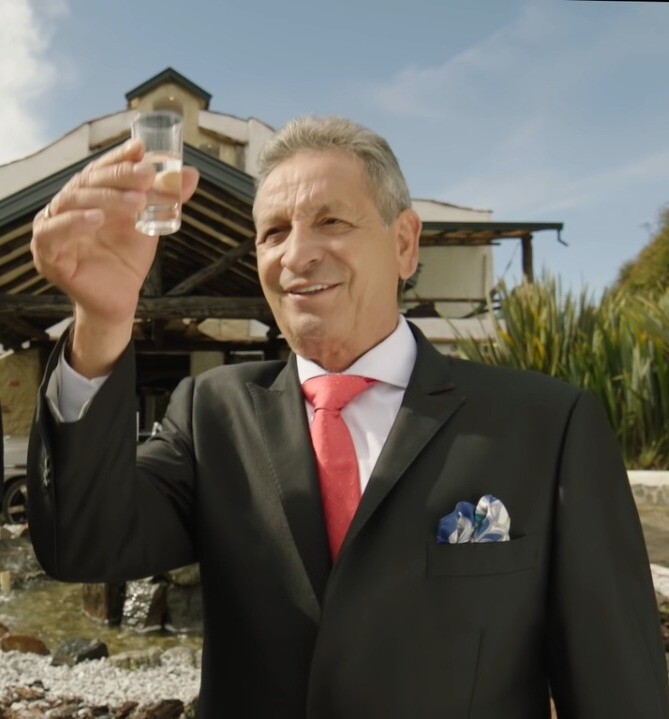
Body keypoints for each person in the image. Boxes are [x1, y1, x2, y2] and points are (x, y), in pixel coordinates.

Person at [27, 115, 668, 719]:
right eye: (273, 232)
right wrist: (102, 321)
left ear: (404, 243)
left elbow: (617, 686)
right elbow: (82, 542)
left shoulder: (546, 425)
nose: (297, 255)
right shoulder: (211, 413)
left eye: (330, 220)